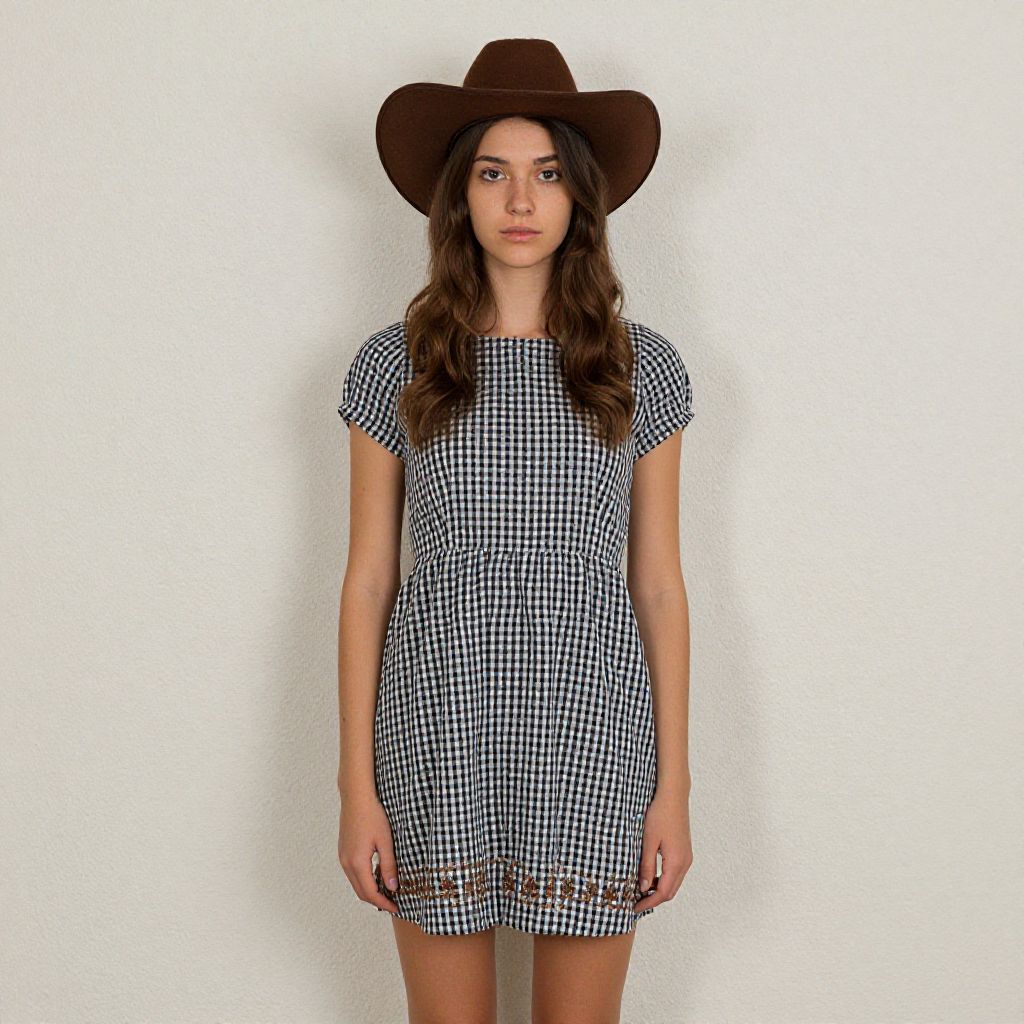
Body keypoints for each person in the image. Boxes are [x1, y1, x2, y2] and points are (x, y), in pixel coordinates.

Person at [336, 38, 695, 1023]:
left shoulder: (637, 367)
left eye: (544, 174)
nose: (520, 200)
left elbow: (657, 584)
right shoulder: (398, 363)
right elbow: (369, 579)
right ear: (460, 196)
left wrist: (673, 791)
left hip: (594, 737)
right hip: (435, 734)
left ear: (579, 196)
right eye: (493, 174)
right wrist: (355, 789)